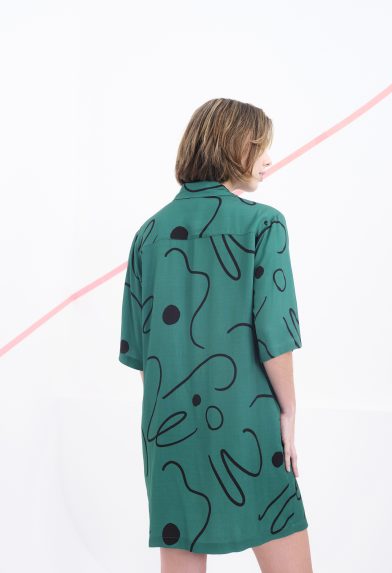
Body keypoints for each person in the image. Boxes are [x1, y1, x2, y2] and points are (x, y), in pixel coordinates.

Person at [118, 98, 313, 573]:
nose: (268, 160)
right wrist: (289, 410)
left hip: (169, 428)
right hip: (249, 424)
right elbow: (274, 334)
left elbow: (142, 354)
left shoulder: (148, 234)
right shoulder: (264, 224)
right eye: (259, 147)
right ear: (233, 148)